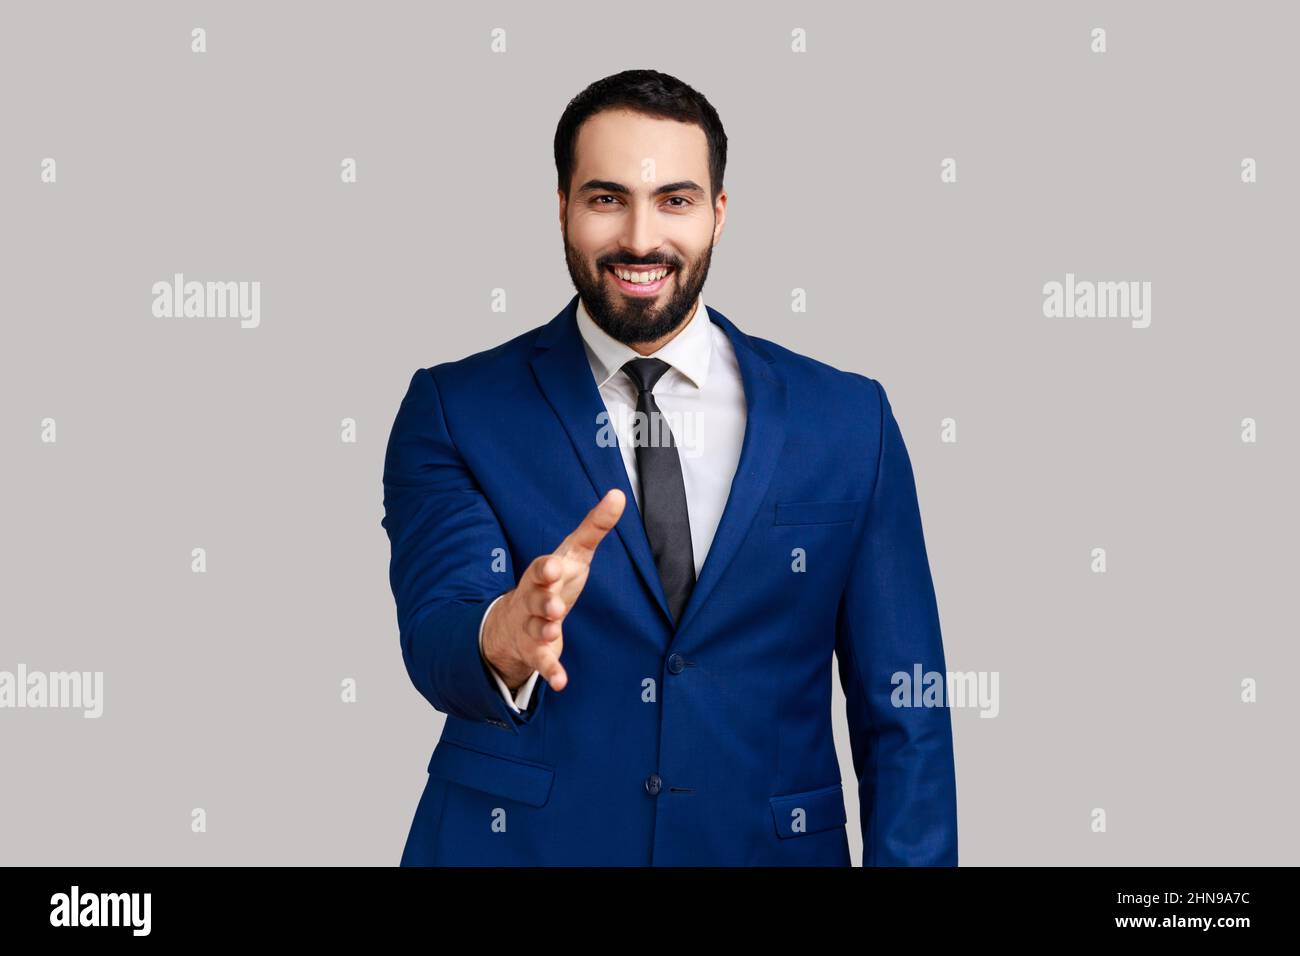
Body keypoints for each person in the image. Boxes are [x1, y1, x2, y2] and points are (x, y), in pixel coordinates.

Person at [381, 69, 957, 866]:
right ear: (562, 208)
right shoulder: (455, 407)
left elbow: (907, 709)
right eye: (607, 198)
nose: (642, 239)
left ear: (719, 214)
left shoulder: (848, 421)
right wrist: (503, 638)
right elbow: (438, 623)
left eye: (675, 200)